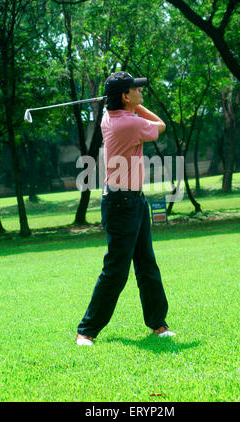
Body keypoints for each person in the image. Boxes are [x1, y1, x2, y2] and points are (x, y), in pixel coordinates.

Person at [76, 71, 175, 346]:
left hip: (133, 200)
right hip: (122, 204)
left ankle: (157, 323)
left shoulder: (110, 117)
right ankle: (86, 330)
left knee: (146, 264)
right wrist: (135, 107)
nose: (141, 92)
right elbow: (161, 124)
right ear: (124, 96)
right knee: (116, 271)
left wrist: (124, 103)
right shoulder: (129, 123)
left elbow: (125, 110)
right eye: (136, 89)